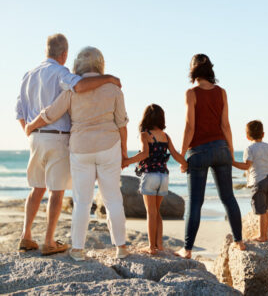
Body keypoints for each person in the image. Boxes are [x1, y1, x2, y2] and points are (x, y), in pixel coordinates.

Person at [16, 34, 122, 255]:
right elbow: (81, 86)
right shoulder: (61, 73)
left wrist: (29, 128)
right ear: (64, 54)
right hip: (58, 135)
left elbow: (19, 110)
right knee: (57, 191)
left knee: (36, 188)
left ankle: (26, 236)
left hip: (35, 137)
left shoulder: (28, 74)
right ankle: (48, 241)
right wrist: (109, 78)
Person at [175, 54, 245, 259]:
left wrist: (181, 155)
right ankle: (239, 242)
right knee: (228, 198)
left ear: (193, 71)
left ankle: (187, 250)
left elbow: (190, 126)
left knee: (195, 202)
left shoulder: (191, 93)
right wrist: (230, 152)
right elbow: (226, 125)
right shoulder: (221, 92)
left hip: (198, 151)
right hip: (221, 148)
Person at [122, 104, 187, 255]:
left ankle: (151, 247)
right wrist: (186, 164)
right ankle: (160, 245)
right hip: (163, 176)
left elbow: (144, 154)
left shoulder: (145, 135)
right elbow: (176, 155)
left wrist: (126, 161)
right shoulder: (165, 136)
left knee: (150, 212)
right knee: (157, 212)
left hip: (150, 175)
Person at [233, 120, 268, 242]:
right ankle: (264, 235)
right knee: (265, 210)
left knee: (261, 211)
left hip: (259, 181)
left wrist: (232, 162)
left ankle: (262, 236)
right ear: (263, 134)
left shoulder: (249, 149)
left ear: (247, 136)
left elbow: (246, 166)